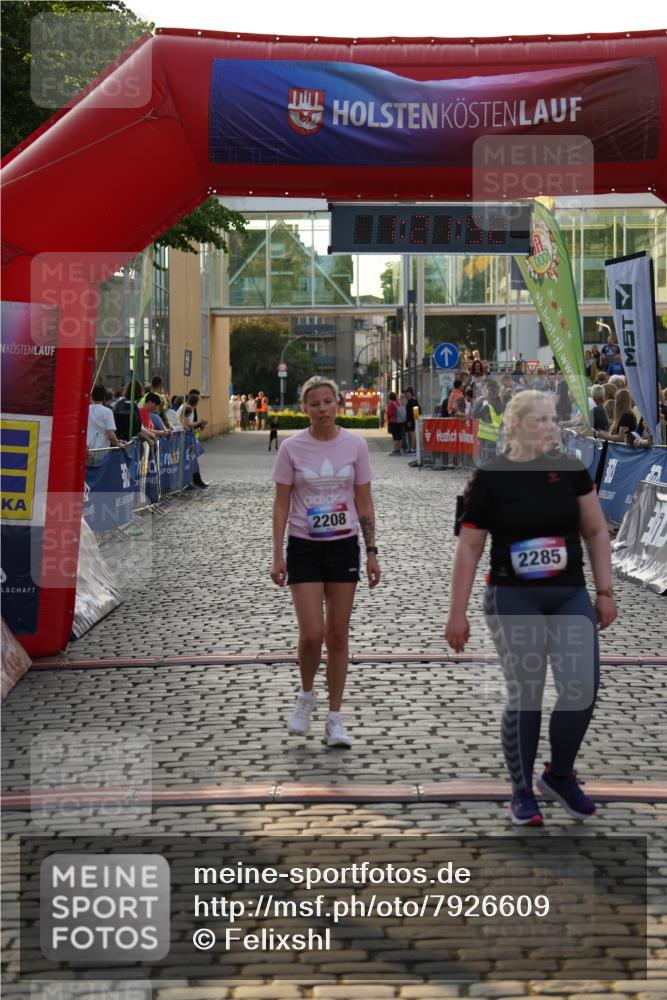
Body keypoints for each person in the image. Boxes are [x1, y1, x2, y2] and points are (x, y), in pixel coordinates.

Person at [445, 390, 617, 826]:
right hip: (512, 595)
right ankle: (521, 791)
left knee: (582, 689)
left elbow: (596, 530)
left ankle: (559, 775)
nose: (550, 427)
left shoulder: (571, 469)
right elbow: (469, 548)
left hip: (568, 594)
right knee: (528, 695)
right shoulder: (489, 476)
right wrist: (457, 613)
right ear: (517, 425)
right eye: (540, 420)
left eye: (553, 420)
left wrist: (605, 591)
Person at [271, 376, 380, 748]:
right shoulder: (291, 448)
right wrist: (276, 553)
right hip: (304, 546)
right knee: (312, 634)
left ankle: (335, 718)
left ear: (338, 404)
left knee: (337, 635)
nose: (322, 409)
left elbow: (364, 501)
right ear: (305, 408)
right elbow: (281, 503)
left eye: (327, 402)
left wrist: (372, 551)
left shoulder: (356, 445)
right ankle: (305, 695)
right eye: (314, 403)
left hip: (344, 546)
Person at [87, 384, 125, 459]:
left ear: (92, 396)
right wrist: (118, 444)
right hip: (101, 452)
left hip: (87, 450)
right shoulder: (107, 412)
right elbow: (110, 434)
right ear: (104, 397)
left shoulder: (86, 410)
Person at [386, 391, 403, 456]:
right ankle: (399, 450)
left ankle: (396, 451)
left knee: (395, 437)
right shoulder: (398, 403)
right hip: (400, 421)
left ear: (390, 398)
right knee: (399, 437)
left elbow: (389, 414)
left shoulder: (391, 404)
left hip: (393, 422)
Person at [404, 386, 419, 454]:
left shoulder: (413, 400)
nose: (406, 395)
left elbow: (415, 410)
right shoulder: (409, 401)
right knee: (410, 434)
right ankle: (410, 448)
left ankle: (413, 448)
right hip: (409, 420)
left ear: (410, 393)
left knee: (412, 434)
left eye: (407, 393)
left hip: (412, 420)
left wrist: (414, 419)